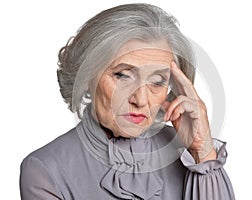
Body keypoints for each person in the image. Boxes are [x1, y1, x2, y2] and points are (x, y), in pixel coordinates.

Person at [20, 3, 235, 200]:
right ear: (86, 78)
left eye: (157, 81)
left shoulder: (185, 151)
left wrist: (203, 153)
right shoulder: (45, 169)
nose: (140, 99)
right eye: (123, 76)